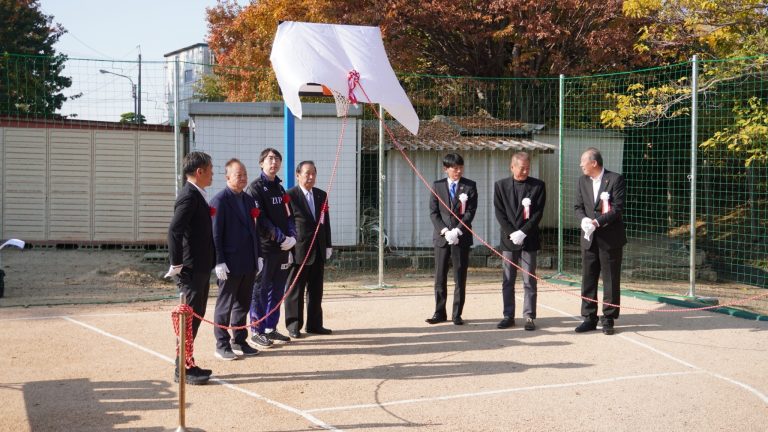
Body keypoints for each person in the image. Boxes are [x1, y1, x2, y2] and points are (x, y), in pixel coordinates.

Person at [166, 151, 216, 385]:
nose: (212, 173)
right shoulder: (189, 196)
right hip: (191, 267)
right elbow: (175, 230)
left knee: (196, 316)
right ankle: (183, 368)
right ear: (200, 172)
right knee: (189, 318)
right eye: (210, 169)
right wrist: (176, 263)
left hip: (202, 266)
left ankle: (187, 363)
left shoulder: (198, 195)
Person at [210, 158, 261, 360]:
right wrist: (218, 260)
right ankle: (221, 344)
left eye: (245, 175)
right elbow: (215, 234)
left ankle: (239, 340)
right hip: (229, 262)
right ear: (227, 177)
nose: (243, 179)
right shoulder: (220, 201)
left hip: (248, 261)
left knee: (243, 303)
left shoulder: (248, 200)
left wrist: (259, 256)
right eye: (238, 175)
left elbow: (254, 230)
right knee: (225, 304)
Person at [245, 148, 296, 347]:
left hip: (283, 249)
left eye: (277, 160)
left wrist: (292, 237)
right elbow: (261, 219)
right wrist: (280, 237)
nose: (273, 163)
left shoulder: (281, 188)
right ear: (261, 163)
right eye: (269, 159)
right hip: (266, 248)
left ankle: (270, 328)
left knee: (277, 290)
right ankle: (256, 330)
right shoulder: (255, 188)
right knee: (260, 289)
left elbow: (289, 215)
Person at [574, 147, 627, 335]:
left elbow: (617, 209)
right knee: (588, 277)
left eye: (583, 161)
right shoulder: (582, 181)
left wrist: (597, 222)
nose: (581, 165)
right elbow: (578, 206)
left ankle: (609, 318)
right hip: (589, 238)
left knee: (610, 279)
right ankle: (589, 317)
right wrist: (584, 220)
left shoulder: (615, 179)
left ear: (593, 163)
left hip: (610, 238)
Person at [493, 152, 546, 331]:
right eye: (521, 168)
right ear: (512, 167)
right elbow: (499, 213)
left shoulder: (538, 186)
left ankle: (529, 316)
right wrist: (512, 233)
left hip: (529, 239)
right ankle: (508, 315)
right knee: (508, 279)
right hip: (509, 240)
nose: (524, 171)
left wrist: (523, 232)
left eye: (527, 168)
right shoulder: (500, 186)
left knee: (529, 279)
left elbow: (538, 213)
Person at [426, 153, 478, 325]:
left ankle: (457, 314)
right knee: (440, 276)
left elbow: (470, 212)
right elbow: (434, 212)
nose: (458, 171)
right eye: (454, 168)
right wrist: (444, 230)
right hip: (442, 238)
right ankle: (439, 312)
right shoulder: (437, 185)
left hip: (460, 238)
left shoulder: (470, 186)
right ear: (446, 169)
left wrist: (457, 231)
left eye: (460, 167)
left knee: (459, 276)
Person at [285, 161, 333, 338]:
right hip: (298, 250)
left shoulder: (322, 195)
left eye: (313, 173)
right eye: (307, 173)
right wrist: (287, 250)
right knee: (295, 290)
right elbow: (286, 224)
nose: (310, 177)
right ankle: (293, 325)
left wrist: (328, 244)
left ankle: (314, 324)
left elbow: (325, 222)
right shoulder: (290, 196)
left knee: (316, 290)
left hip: (318, 250)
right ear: (298, 175)